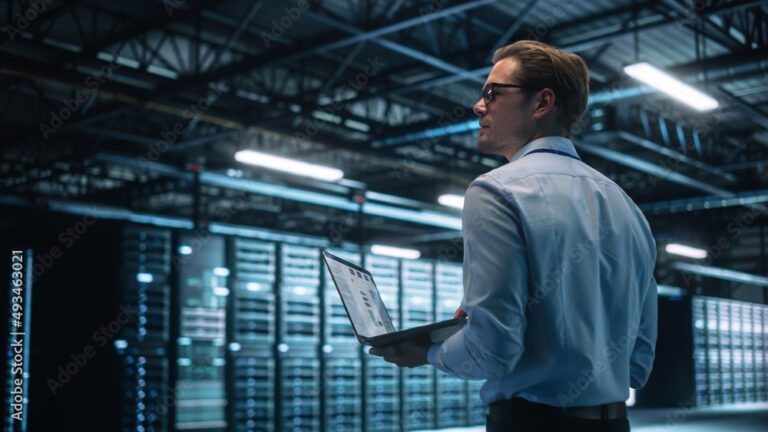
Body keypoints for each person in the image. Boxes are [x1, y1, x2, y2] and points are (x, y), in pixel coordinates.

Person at [370, 40, 658, 432]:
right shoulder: (627, 206)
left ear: (541, 103)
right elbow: (638, 364)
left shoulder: (497, 191)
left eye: (493, 92)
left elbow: (493, 352)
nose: (478, 105)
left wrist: (428, 351)